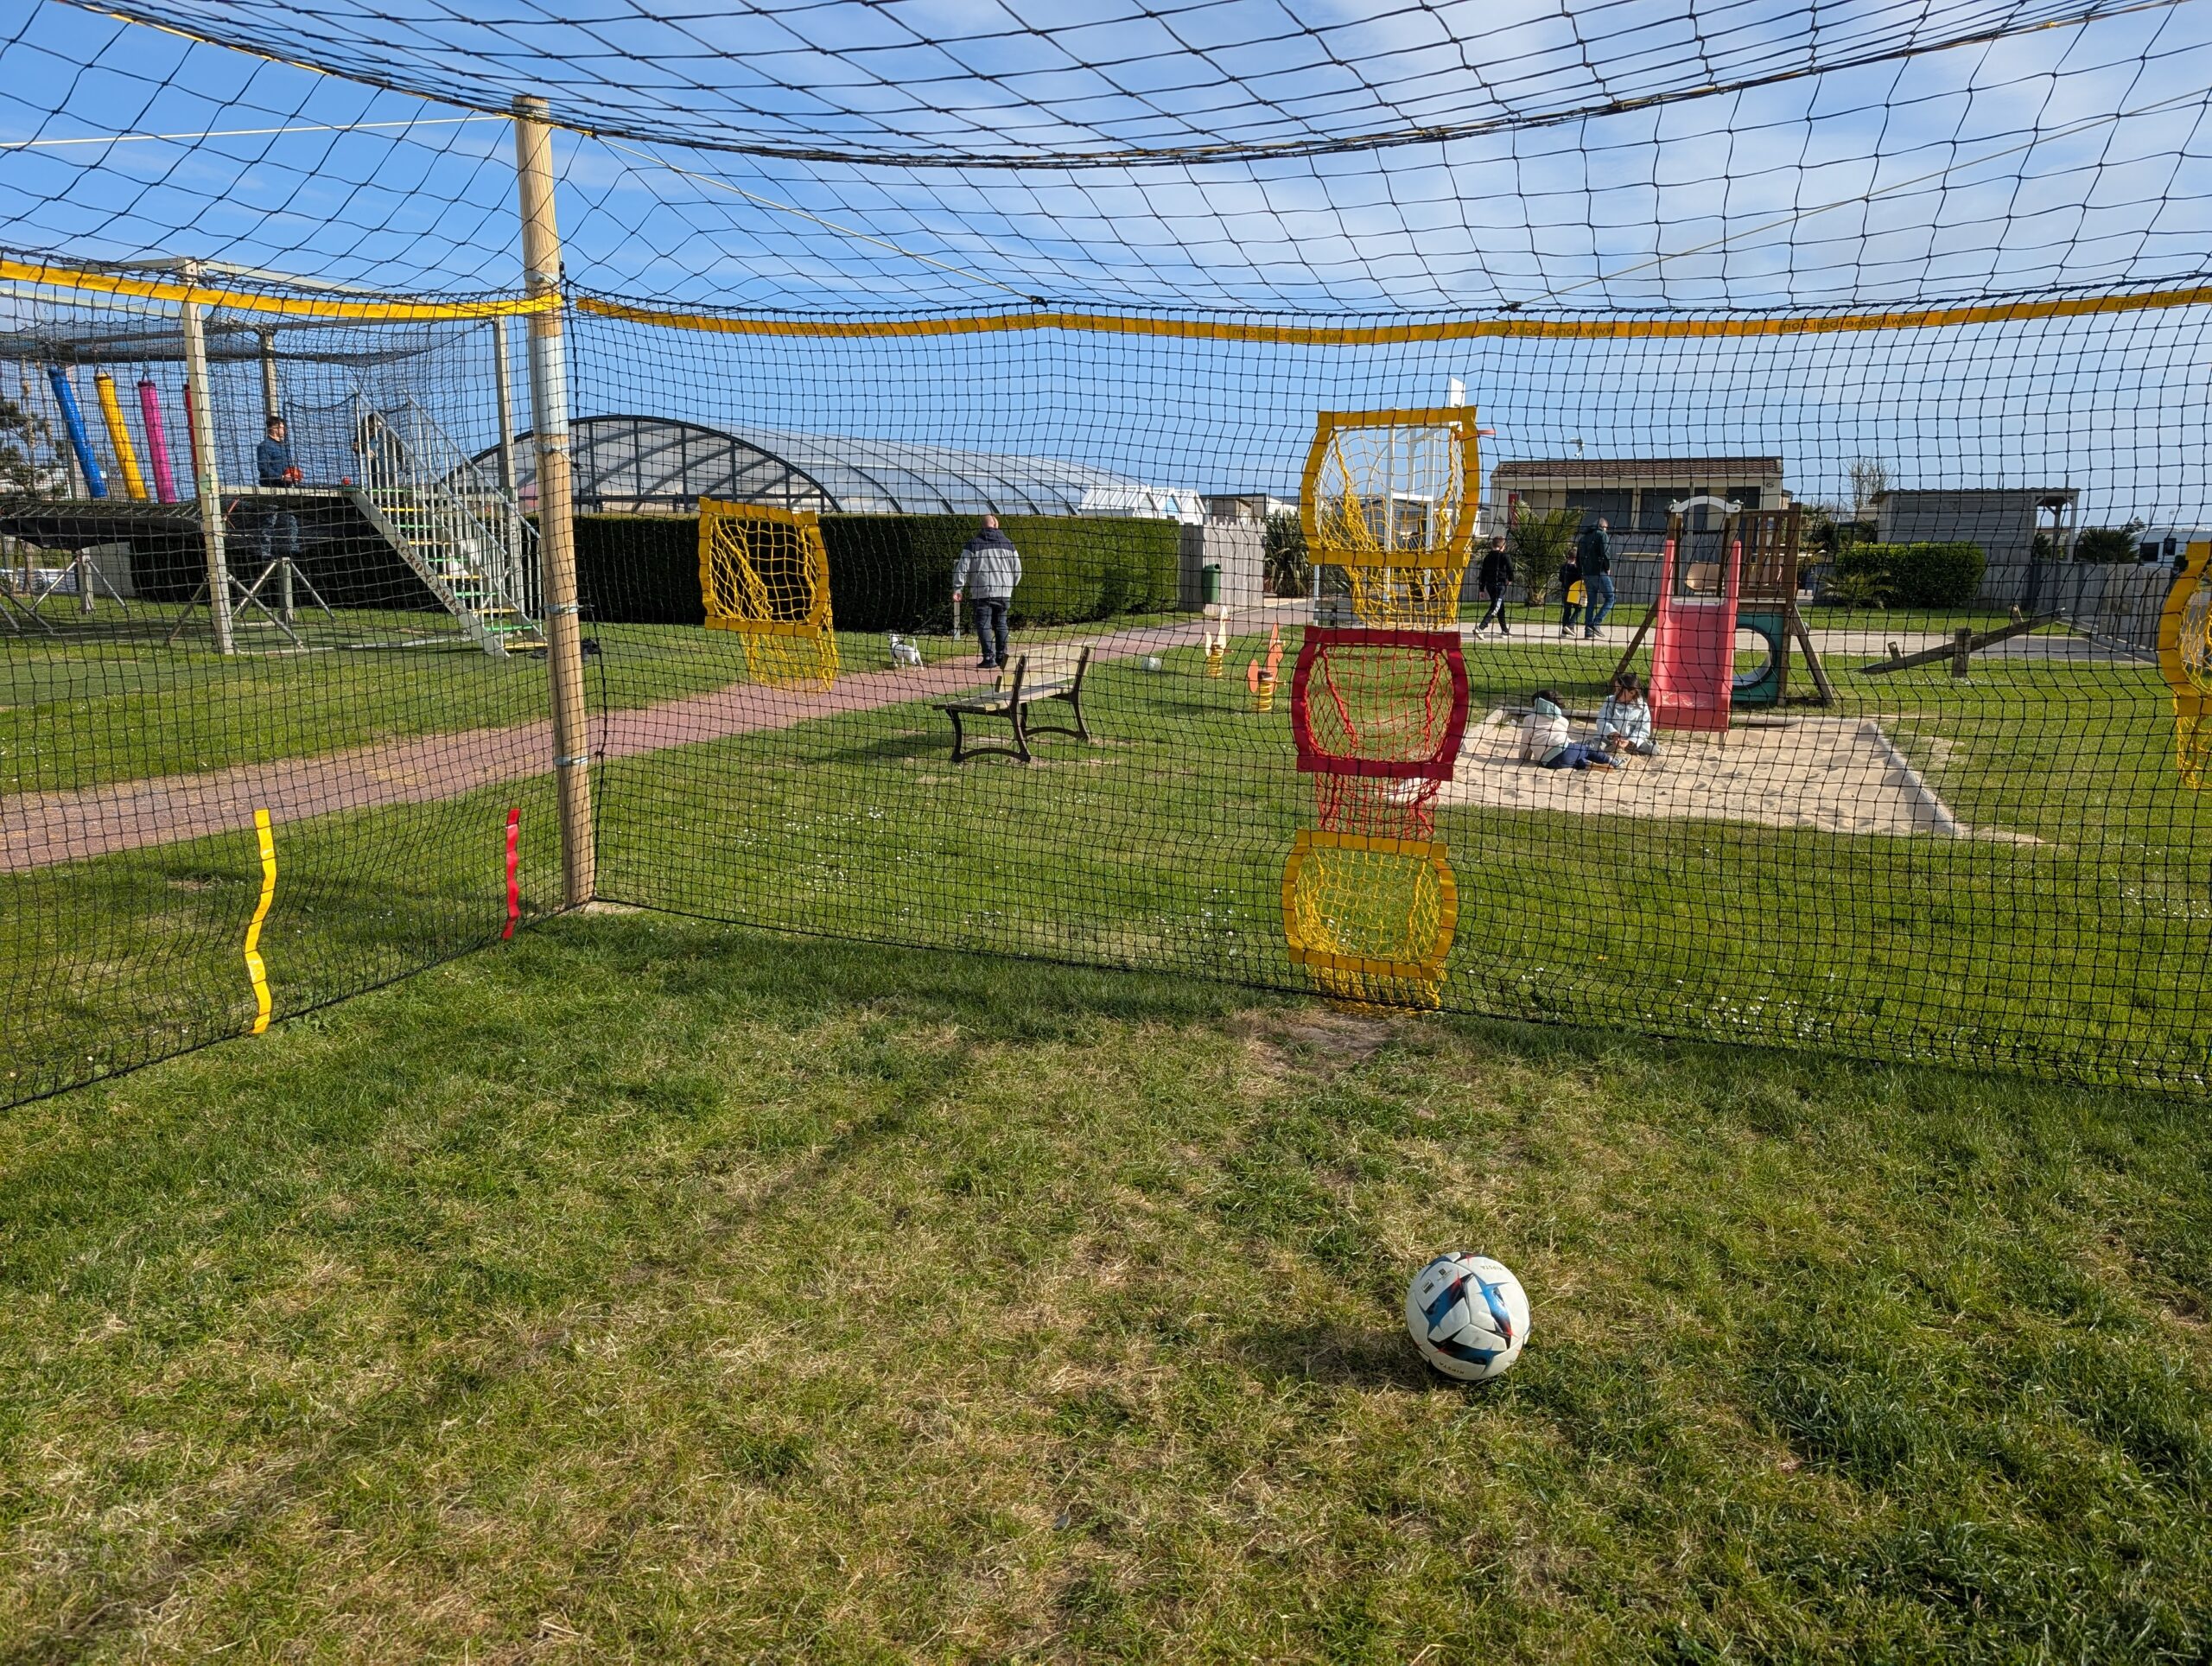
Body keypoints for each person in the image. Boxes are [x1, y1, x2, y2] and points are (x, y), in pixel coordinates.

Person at [951, 512, 1022, 671]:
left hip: (981, 592)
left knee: (983, 624)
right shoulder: (1009, 544)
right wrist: (1011, 585)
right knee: (1001, 624)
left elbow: (962, 568)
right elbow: (1018, 569)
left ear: (982, 526)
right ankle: (1001, 656)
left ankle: (988, 658)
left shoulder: (973, 544)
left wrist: (958, 588)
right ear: (997, 525)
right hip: (1004, 592)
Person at [1518, 689, 1618, 771]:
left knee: (1572, 760)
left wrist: (1524, 758)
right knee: (1586, 750)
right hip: (1564, 751)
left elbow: (1525, 742)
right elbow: (1564, 739)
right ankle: (1612, 761)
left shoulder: (1529, 719)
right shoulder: (1563, 720)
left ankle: (1587, 765)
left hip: (1547, 762)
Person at [254, 414, 302, 569]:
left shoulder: (284, 446)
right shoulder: (264, 446)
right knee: (270, 519)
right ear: (274, 428)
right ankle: (265, 552)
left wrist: (293, 475)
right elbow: (263, 468)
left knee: (291, 519)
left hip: (286, 489)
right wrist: (281, 477)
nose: (284, 430)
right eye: (282, 427)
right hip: (271, 489)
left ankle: (293, 549)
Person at [1595, 670, 1656, 757]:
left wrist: (1631, 741)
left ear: (1632, 693)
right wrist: (1613, 734)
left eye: (1619, 689)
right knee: (1595, 747)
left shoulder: (1642, 707)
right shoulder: (1610, 701)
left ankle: (1648, 745)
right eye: (1616, 688)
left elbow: (1643, 729)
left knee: (1651, 749)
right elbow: (1602, 721)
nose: (1616, 692)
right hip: (1609, 739)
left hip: (1629, 742)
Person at [1578, 515, 1615, 639]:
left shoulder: (1583, 538)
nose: (1606, 531)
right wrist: (1607, 566)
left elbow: (1579, 558)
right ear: (1603, 526)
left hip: (1587, 574)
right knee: (1610, 598)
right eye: (1606, 528)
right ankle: (1596, 623)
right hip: (1600, 572)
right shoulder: (1601, 535)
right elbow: (1605, 553)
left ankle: (1588, 631)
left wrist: (1581, 572)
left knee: (1591, 602)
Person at [1475, 535, 1513, 636]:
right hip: (1499, 586)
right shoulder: (1505, 556)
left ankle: (1504, 630)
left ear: (1492, 545)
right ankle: (1481, 627)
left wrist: (1482, 589)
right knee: (1495, 607)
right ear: (1503, 546)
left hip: (1489, 586)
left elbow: (1483, 573)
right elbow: (1510, 568)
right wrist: (1510, 579)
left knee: (1500, 607)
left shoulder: (1487, 557)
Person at [1557, 550, 1582, 637]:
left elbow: (1560, 579)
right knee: (1578, 609)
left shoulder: (1563, 567)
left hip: (1565, 590)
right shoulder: (1577, 568)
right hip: (1575, 592)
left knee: (1567, 611)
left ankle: (1564, 632)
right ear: (1576, 558)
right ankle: (1570, 625)